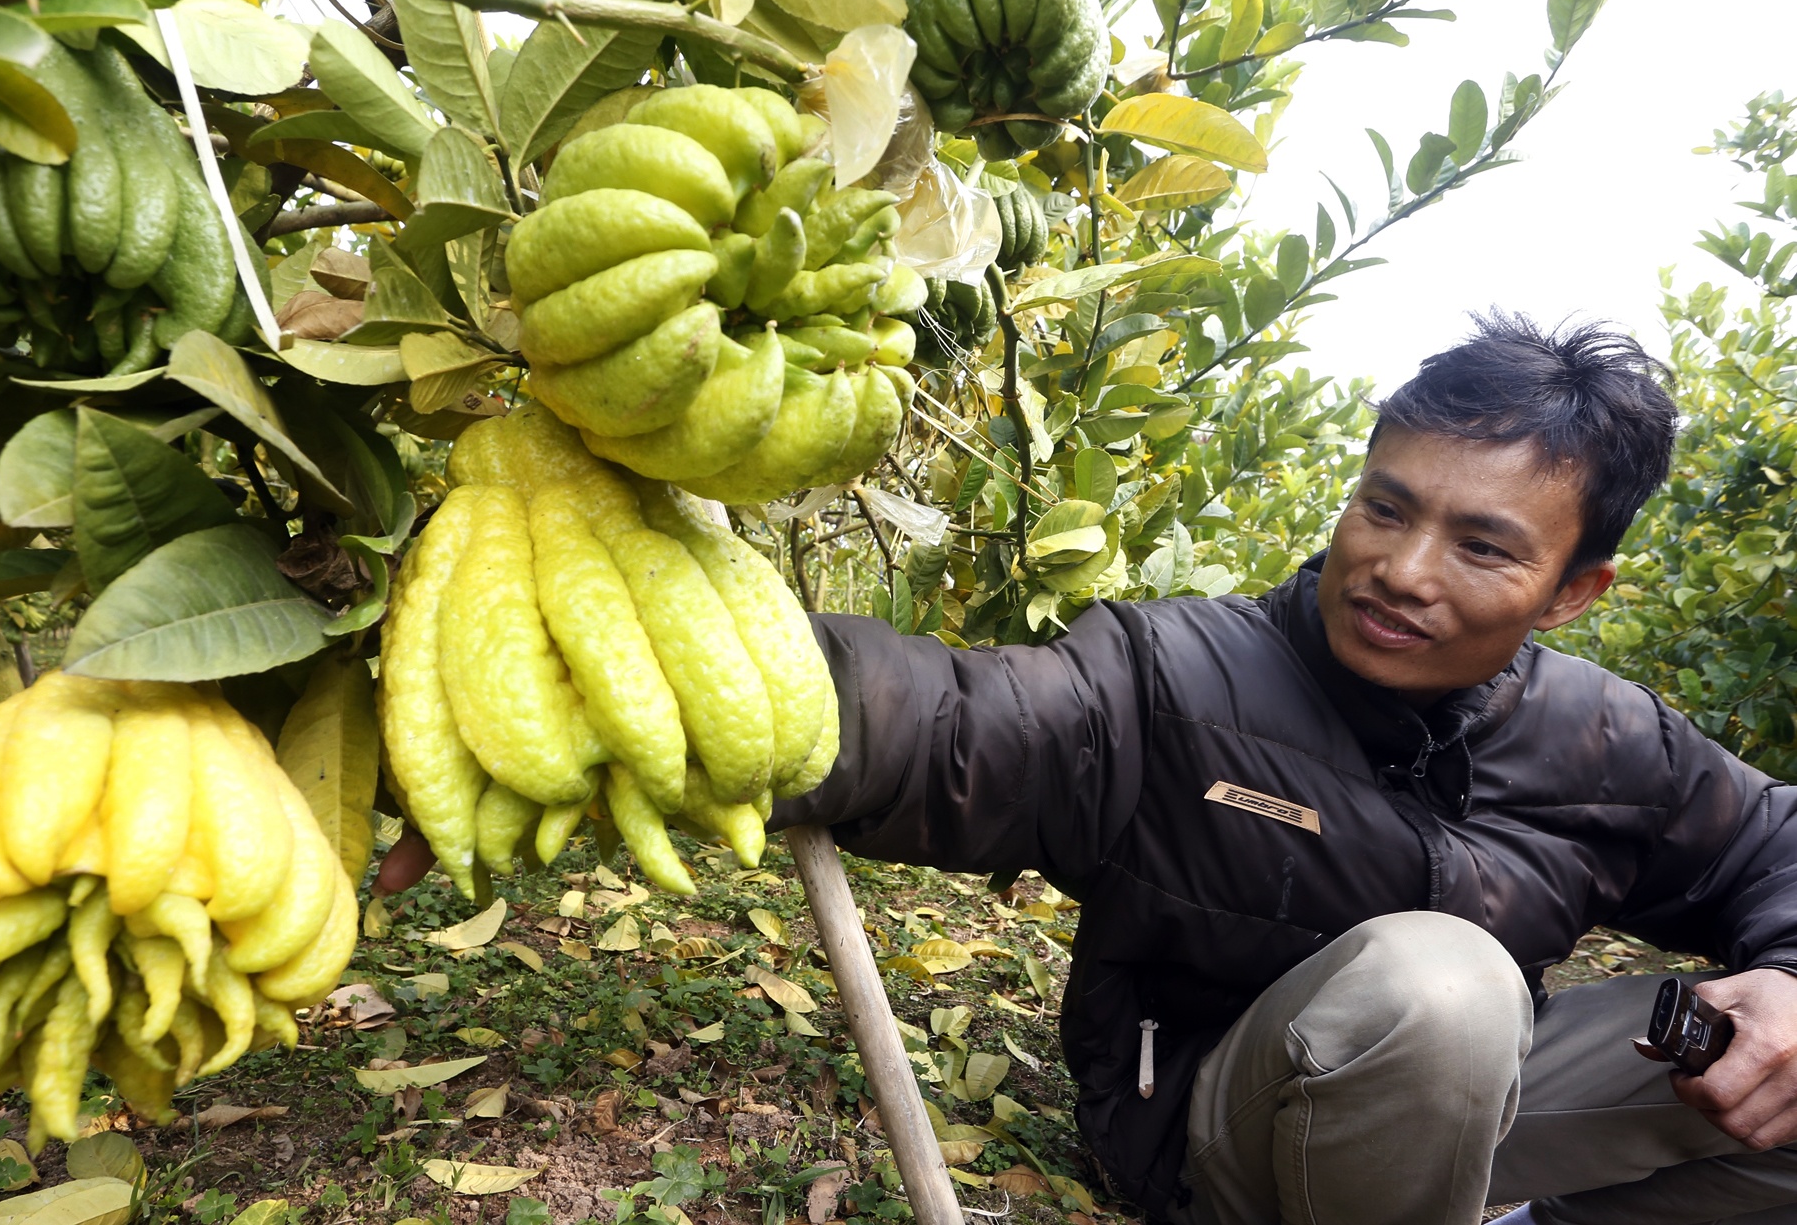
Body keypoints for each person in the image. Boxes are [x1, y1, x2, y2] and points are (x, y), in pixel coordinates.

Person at [378, 314, 1797, 1224]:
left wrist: (1788, 978)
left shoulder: (1605, 736)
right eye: (1384, 506)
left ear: (1573, 591)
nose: (1399, 570)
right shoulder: (1181, 677)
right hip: (1216, 1133)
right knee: (1441, 985)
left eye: (1483, 546)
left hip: (1451, 1132)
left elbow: (1768, 847)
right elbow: (941, 720)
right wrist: (588, 703)